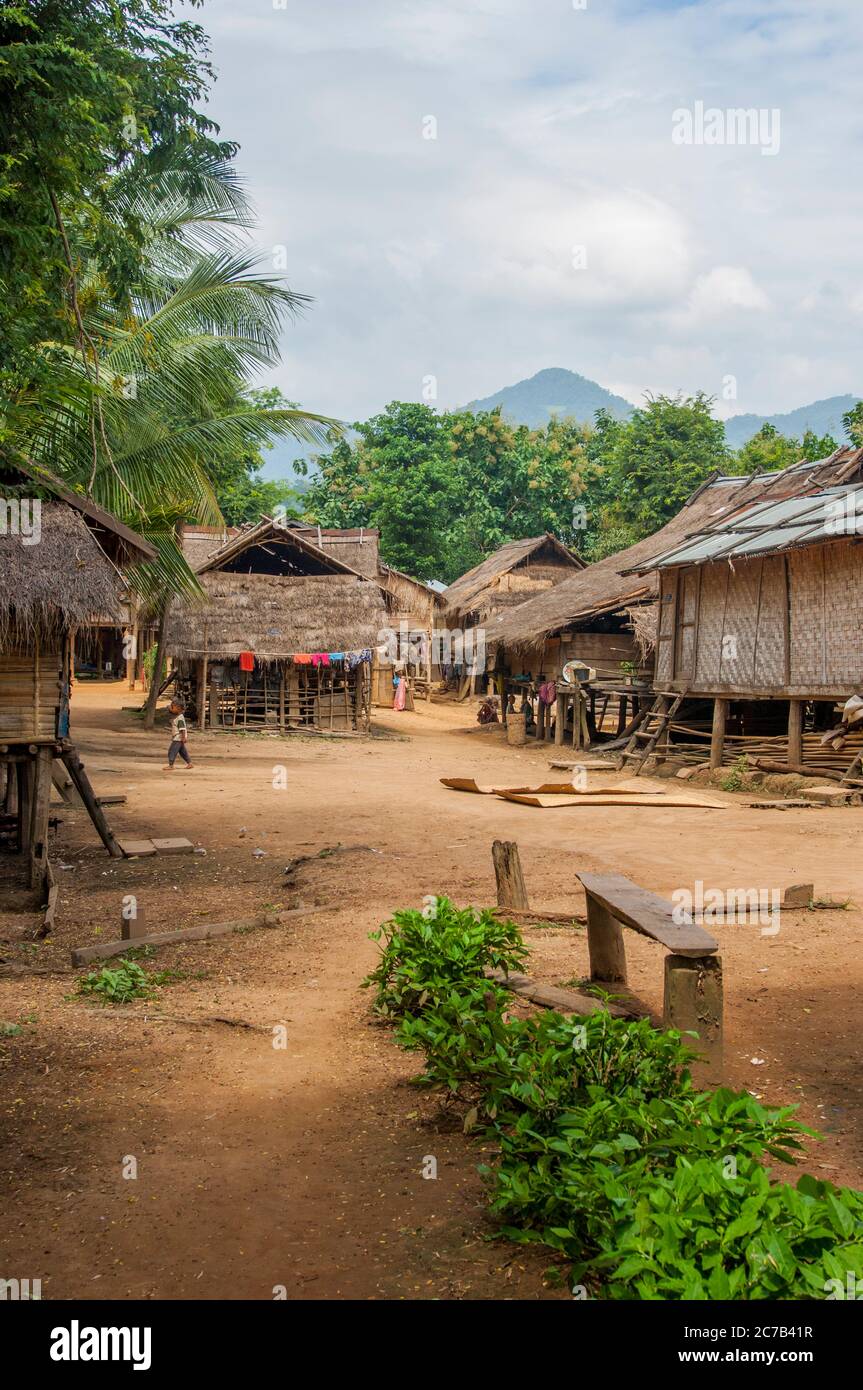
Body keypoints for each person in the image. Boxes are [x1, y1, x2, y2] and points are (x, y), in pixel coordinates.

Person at [165, 698, 194, 770]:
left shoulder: (180, 718)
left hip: (178, 738)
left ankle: (171, 765)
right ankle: (189, 763)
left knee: (172, 751)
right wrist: (170, 707)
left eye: (173, 707)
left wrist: (183, 738)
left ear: (178, 708)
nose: (171, 708)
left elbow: (182, 729)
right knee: (182, 751)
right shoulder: (178, 716)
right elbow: (170, 710)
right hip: (179, 737)